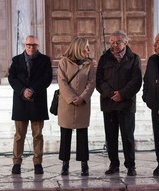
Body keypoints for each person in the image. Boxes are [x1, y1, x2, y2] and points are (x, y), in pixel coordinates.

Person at [96, 30, 142, 176]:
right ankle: (113, 164)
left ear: (125, 42)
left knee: (127, 136)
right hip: (109, 103)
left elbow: (136, 80)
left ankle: (130, 166)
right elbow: (99, 81)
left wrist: (122, 94)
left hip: (126, 104)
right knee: (111, 136)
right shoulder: (104, 58)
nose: (114, 45)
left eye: (118, 42)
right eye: (112, 42)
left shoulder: (134, 58)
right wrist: (110, 93)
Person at [8, 35, 53, 175]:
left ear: (37, 46)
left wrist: (33, 90)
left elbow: (47, 78)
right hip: (21, 101)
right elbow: (12, 78)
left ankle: (38, 162)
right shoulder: (16, 60)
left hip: (37, 100)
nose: (31, 47)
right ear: (24, 45)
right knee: (19, 135)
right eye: (28, 45)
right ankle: (16, 162)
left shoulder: (45, 60)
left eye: (34, 45)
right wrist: (23, 90)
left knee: (38, 135)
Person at [57, 37, 97, 176]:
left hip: (82, 104)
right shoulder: (63, 62)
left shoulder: (90, 64)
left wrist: (83, 97)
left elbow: (92, 83)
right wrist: (72, 98)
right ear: (78, 48)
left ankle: (84, 164)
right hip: (66, 104)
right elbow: (62, 82)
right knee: (65, 134)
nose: (89, 50)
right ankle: (65, 164)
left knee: (82, 134)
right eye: (86, 47)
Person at [142, 34, 159, 176]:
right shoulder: (152, 60)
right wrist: (146, 97)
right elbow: (146, 79)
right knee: (158, 137)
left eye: (157, 42)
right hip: (156, 107)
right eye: (155, 42)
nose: (154, 45)